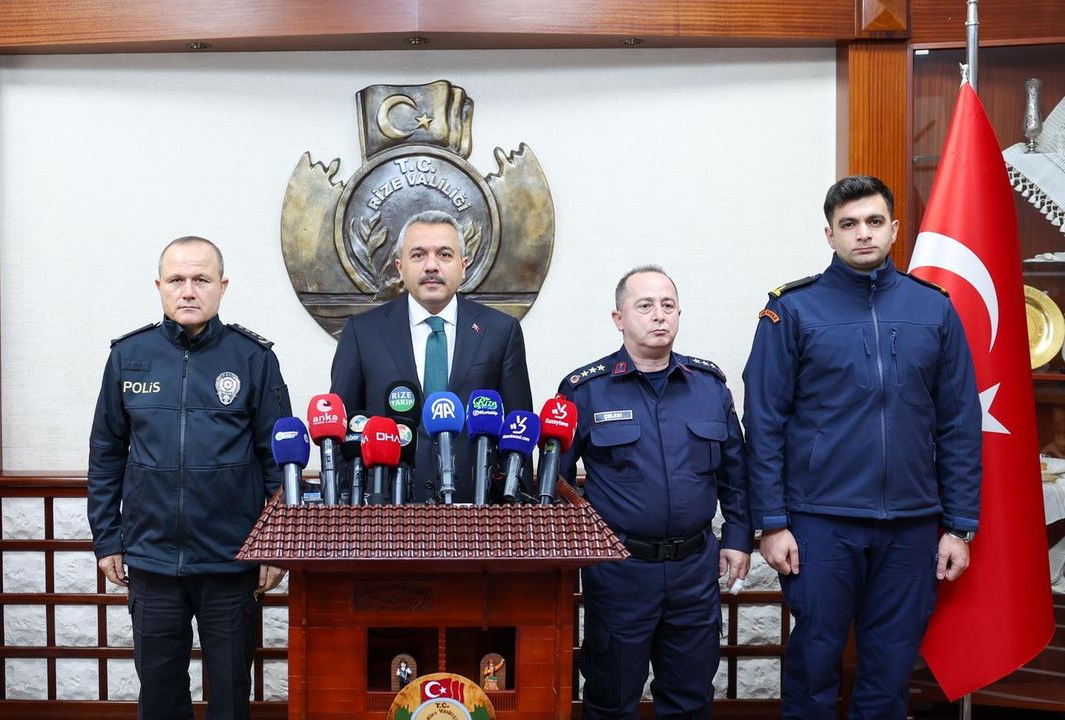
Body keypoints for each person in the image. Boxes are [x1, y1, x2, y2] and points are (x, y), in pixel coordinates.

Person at [743, 175, 982, 720]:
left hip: (912, 524)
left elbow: (959, 424)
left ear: (894, 228)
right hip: (819, 522)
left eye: (874, 221)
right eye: (848, 224)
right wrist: (771, 522)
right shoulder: (793, 310)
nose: (863, 233)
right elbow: (764, 421)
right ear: (830, 235)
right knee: (813, 663)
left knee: (891, 671)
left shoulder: (933, 309)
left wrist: (959, 525)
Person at [88, 236, 291, 720]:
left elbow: (279, 460)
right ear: (159, 286)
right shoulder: (128, 356)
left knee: (231, 699)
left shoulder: (254, 358)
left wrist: (276, 544)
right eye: (176, 280)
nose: (188, 290)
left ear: (222, 286)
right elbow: (106, 454)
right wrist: (107, 539)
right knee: (159, 699)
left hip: (231, 562)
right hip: (153, 562)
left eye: (201, 279)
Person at [557, 266, 751, 719]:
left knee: (690, 700)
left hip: (694, 569)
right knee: (610, 700)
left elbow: (736, 474)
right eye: (644, 305)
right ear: (619, 318)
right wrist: (582, 550)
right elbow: (555, 484)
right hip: (620, 571)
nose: (658, 315)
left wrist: (739, 538)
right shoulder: (585, 391)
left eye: (667, 305)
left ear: (679, 313)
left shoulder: (709, 387)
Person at [330, 210, 533, 502]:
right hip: (386, 511)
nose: (431, 266)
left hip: (476, 511)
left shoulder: (501, 331)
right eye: (418, 255)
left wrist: (514, 510)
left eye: (445, 255)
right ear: (400, 268)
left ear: (464, 266)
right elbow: (342, 433)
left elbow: (519, 431)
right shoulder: (362, 332)